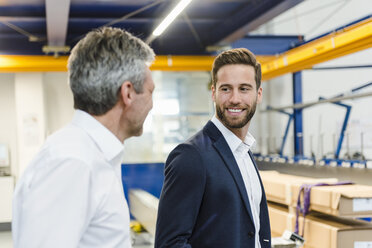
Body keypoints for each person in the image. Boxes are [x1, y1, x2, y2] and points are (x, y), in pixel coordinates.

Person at [12, 27, 155, 248]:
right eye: (150, 92)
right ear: (127, 93)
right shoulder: (72, 162)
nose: (151, 104)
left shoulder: (93, 154)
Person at [155, 48, 271, 248]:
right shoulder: (191, 156)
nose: (235, 98)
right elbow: (170, 244)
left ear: (258, 94)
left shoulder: (244, 153)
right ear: (214, 93)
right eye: (226, 89)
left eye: (244, 89)